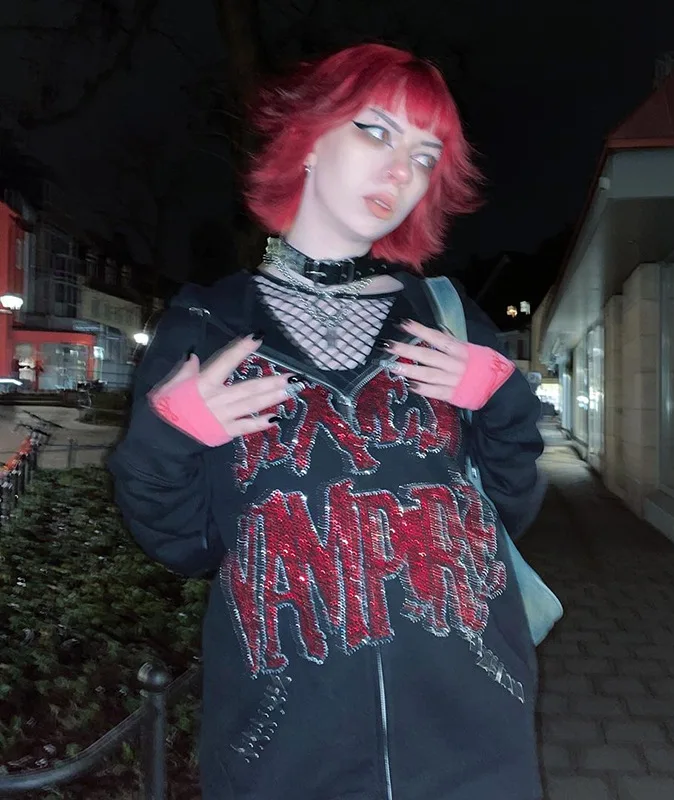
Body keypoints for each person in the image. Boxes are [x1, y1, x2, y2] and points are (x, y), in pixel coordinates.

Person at [109, 43, 545, 800]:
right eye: (376, 132)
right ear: (308, 137)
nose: (401, 171)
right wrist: (170, 435)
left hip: (471, 741)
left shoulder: (444, 317)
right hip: (287, 754)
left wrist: (503, 397)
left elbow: (509, 508)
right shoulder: (208, 326)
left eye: (424, 156)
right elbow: (182, 544)